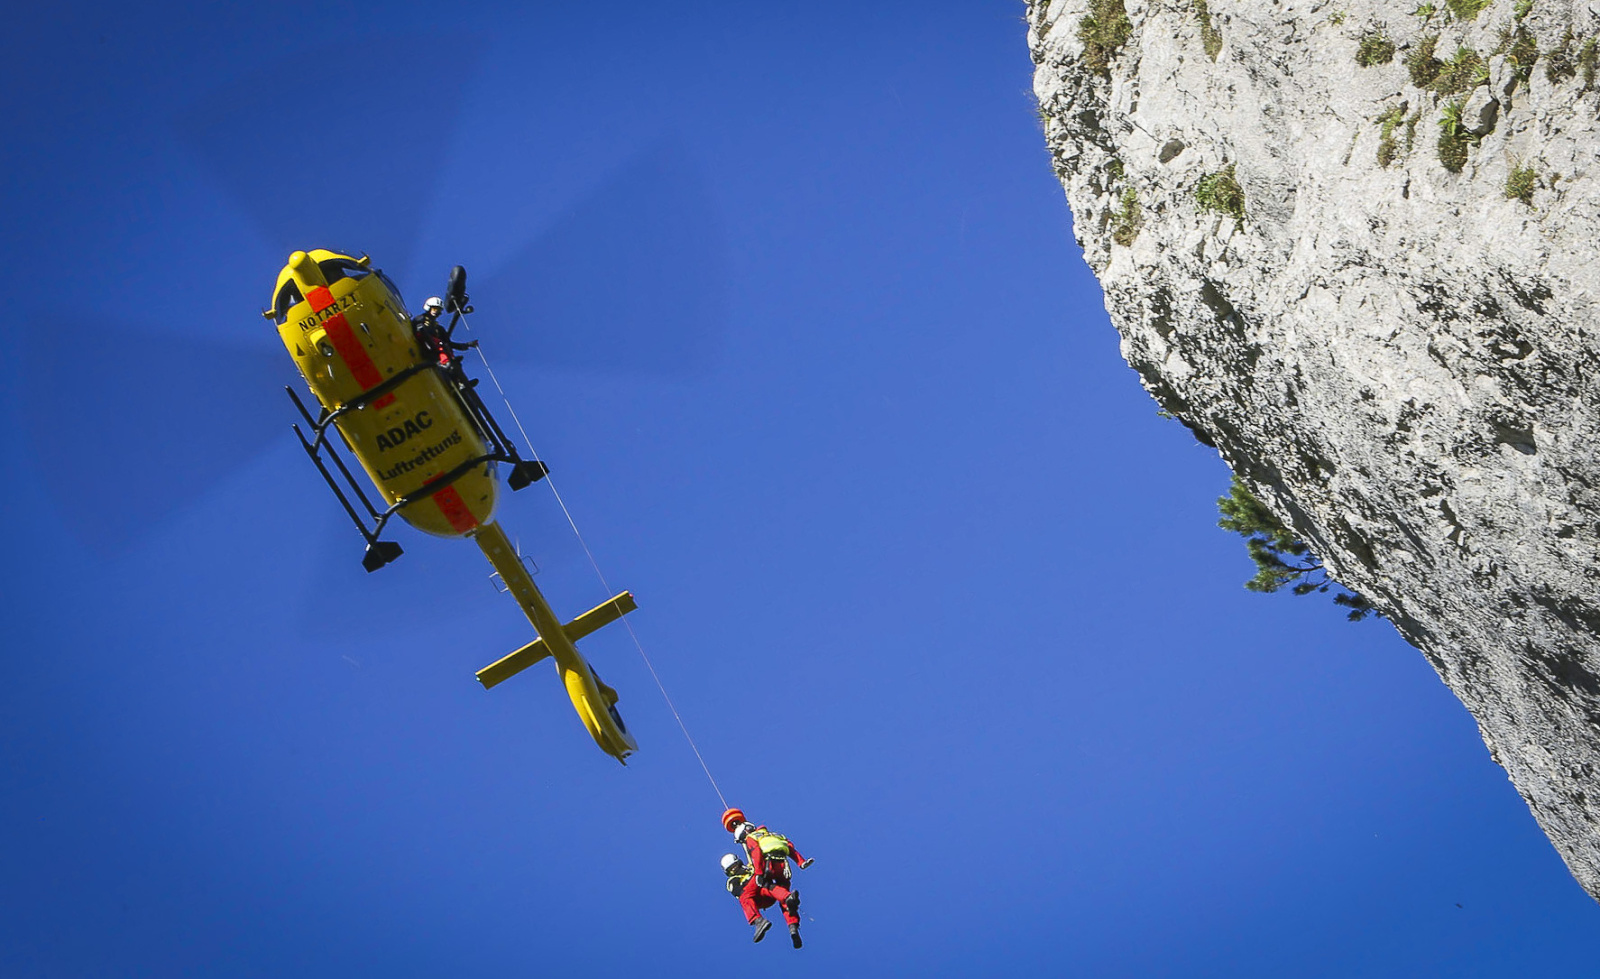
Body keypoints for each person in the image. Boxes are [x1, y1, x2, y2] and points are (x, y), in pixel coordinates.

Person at [721, 808, 812, 948]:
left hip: (761, 886)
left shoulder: (751, 845)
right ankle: (787, 909)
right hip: (774, 875)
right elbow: (790, 847)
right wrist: (801, 862)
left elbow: (756, 855)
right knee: (772, 891)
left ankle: (782, 924)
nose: (735, 869)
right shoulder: (773, 836)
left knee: (766, 889)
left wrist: (757, 874)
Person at [412, 296, 475, 371]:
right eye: (434, 309)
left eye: (438, 310)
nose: (436, 312)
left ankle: (460, 379)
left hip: (437, 351)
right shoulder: (420, 319)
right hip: (426, 348)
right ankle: (443, 363)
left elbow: (449, 343)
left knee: (452, 360)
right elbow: (414, 328)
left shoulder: (439, 329)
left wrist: (466, 345)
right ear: (429, 308)